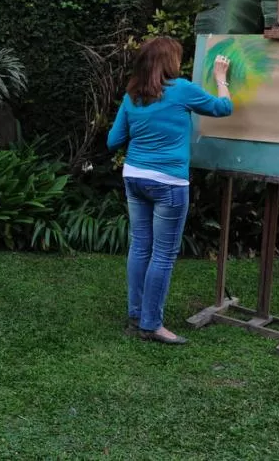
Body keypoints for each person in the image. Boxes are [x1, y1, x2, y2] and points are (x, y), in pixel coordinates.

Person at [106, 37, 232, 345]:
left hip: (134, 177)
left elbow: (112, 141)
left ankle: (137, 315)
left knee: (140, 247)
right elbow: (224, 107)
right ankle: (151, 325)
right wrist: (221, 79)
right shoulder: (181, 90)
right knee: (162, 254)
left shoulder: (132, 96)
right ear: (170, 63)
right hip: (168, 183)